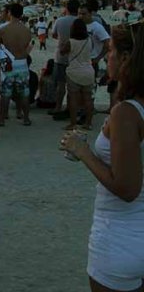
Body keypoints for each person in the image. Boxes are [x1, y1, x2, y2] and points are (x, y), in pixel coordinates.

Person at [61, 22, 144, 292]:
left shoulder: (127, 113)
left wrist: (83, 152)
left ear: (125, 58)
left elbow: (127, 188)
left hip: (121, 235)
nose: (106, 56)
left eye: (110, 50)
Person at [0, 2, 34, 126]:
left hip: (8, 64)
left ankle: (1, 119)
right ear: (21, 14)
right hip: (22, 63)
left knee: (5, 93)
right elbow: (27, 46)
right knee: (24, 92)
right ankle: (26, 118)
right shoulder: (26, 30)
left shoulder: (3, 29)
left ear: (9, 13)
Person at [62, 18, 95, 131]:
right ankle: (88, 123)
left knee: (73, 99)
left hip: (74, 72)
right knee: (88, 99)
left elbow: (62, 52)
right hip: (88, 71)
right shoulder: (89, 40)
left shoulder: (70, 42)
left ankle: (73, 123)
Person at [52, 0, 80, 114]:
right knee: (73, 86)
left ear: (66, 8)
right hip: (75, 56)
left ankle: (58, 107)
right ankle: (70, 108)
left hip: (61, 56)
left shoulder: (60, 21)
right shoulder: (80, 21)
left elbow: (54, 35)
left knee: (61, 84)